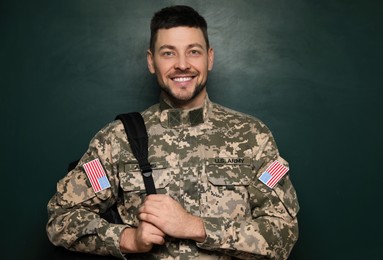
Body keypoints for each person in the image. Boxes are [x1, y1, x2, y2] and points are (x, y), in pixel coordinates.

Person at [46, 5, 299, 260]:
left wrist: (195, 226)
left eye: (194, 52)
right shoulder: (117, 140)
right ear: (151, 61)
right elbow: (61, 219)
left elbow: (284, 233)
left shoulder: (253, 136)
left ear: (209, 58)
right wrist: (128, 239)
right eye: (168, 53)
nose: (181, 64)